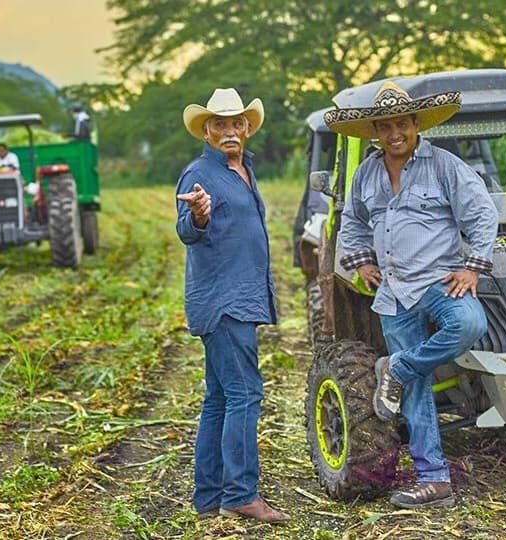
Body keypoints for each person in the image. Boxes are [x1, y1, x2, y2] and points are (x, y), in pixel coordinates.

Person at [323, 81, 498, 509]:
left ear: (416, 123)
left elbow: (482, 214)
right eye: (385, 126)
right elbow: (353, 222)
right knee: (416, 389)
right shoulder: (366, 174)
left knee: (470, 323)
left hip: (438, 283)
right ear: (376, 131)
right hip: (393, 293)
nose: (394, 133)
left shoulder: (444, 166)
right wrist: (362, 261)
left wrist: (472, 267)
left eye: (402, 123)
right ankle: (434, 480)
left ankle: (395, 368)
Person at [175, 88, 289, 524]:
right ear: (206, 131)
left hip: (239, 297)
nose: (229, 130)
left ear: (246, 127)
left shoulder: (243, 168)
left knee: (220, 397)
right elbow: (187, 228)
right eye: (219, 124)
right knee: (244, 393)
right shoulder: (198, 174)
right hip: (224, 302)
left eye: (236, 123)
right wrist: (199, 215)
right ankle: (241, 493)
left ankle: (207, 497)